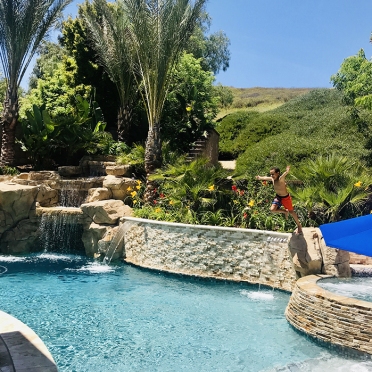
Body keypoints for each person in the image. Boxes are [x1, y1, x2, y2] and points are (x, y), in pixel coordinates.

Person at [255, 165, 303, 234]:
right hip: (278, 197)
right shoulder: (272, 179)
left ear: (278, 173)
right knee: (272, 210)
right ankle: (284, 211)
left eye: (273, 174)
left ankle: (299, 225)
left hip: (285, 198)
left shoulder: (281, 179)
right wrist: (259, 178)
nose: (271, 176)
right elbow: (265, 177)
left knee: (292, 212)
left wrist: (287, 171)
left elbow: (284, 175)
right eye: (270, 174)